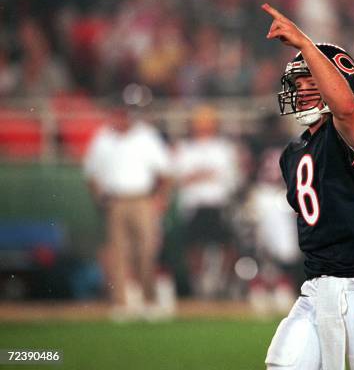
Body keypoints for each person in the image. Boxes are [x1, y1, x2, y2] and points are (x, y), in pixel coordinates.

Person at [261, 3, 354, 370]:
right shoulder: (293, 153)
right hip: (316, 286)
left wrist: (304, 43)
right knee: (285, 364)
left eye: (313, 79)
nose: (304, 89)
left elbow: (344, 111)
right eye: (300, 82)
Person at [83, 103, 171, 320]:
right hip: (116, 200)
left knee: (146, 251)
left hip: (142, 199)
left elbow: (166, 171)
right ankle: (121, 304)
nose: (120, 118)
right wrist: (100, 199)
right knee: (119, 254)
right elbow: (91, 173)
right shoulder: (103, 138)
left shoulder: (146, 136)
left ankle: (149, 301)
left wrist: (160, 199)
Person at [173, 106, 243, 298]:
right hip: (194, 204)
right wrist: (206, 175)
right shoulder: (185, 148)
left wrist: (199, 176)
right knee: (194, 247)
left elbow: (231, 178)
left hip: (218, 203)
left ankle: (221, 283)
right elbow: (179, 178)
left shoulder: (224, 148)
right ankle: (198, 284)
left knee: (227, 245)